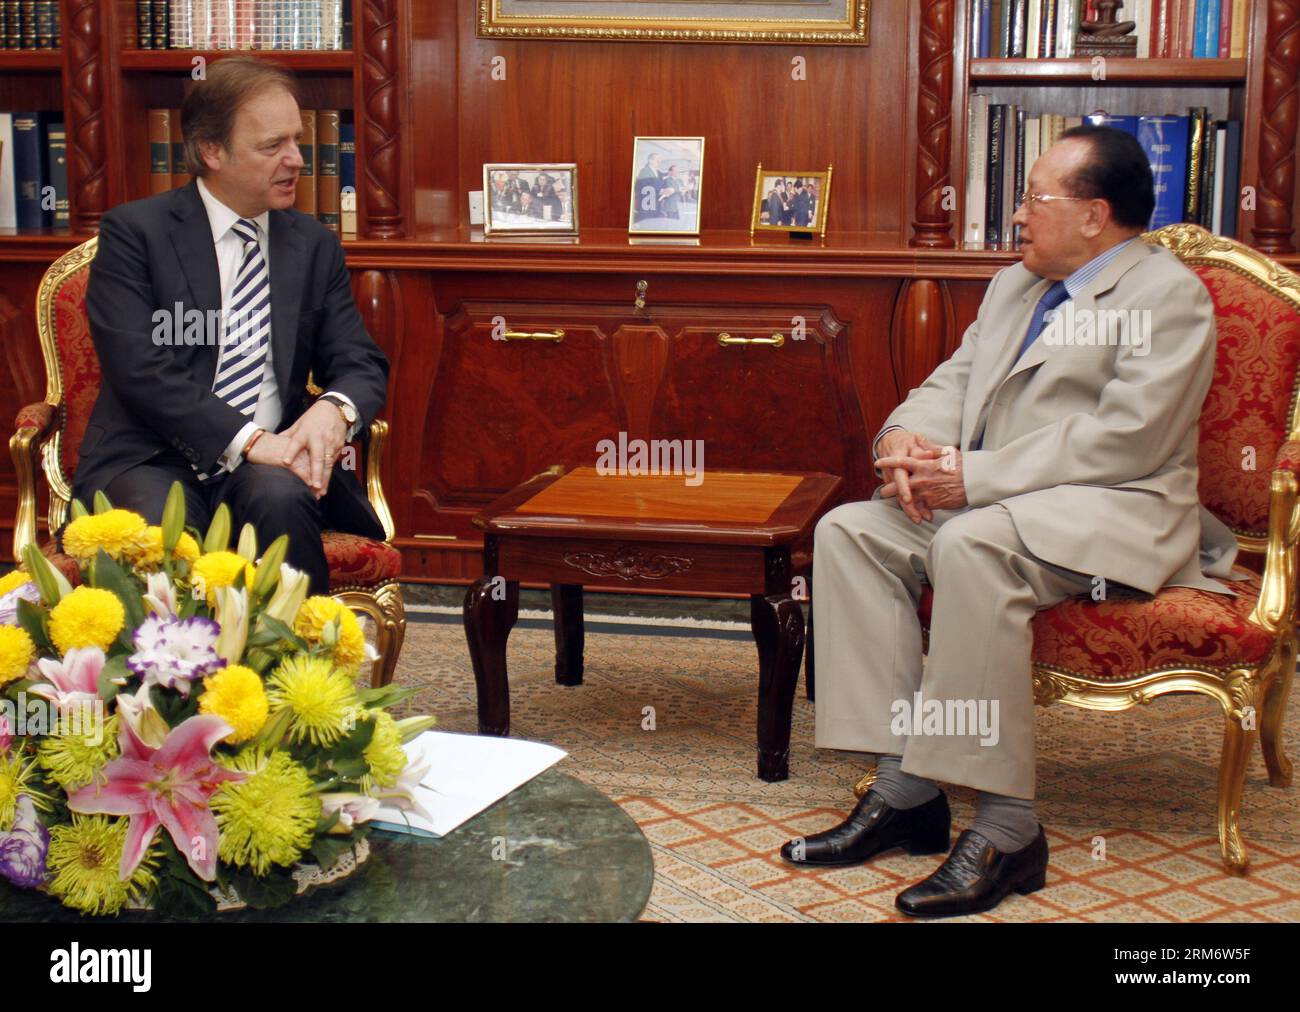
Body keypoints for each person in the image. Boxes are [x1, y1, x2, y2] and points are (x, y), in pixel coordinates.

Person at [779, 125, 1238, 917]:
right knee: (851, 532)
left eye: (1033, 199)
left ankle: (1008, 828)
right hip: (997, 499)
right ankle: (906, 790)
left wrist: (973, 477)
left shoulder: (1165, 297)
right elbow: (951, 383)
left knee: (972, 543)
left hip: (1114, 510)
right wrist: (906, 443)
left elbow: (1126, 440)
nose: (1018, 216)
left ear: (1095, 216)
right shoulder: (1014, 286)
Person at [76, 56, 390, 595]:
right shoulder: (136, 233)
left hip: (272, 462)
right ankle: (170, 678)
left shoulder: (313, 245)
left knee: (281, 498)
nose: (296, 159)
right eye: (273, 146)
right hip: (154, 455)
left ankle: (301, 669)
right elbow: (139, 368)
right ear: (211, 151)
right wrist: (246, 440)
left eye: (296, 139)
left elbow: (359, 361)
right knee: (157, 537)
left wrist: (332, 410)